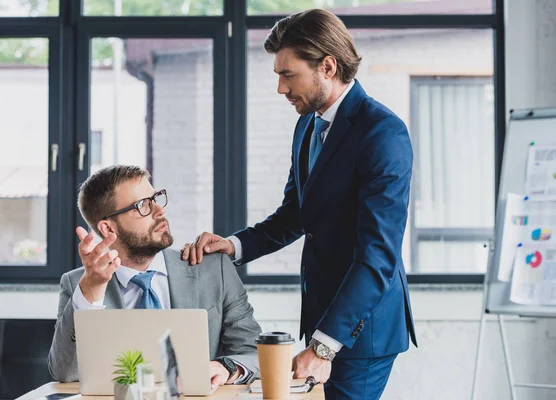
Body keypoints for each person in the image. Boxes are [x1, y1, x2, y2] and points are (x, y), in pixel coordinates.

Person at [181, 9, 417, 400]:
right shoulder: (308, 124)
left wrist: (324, 345)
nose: (280, 88)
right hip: (323, 318)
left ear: (327, 66)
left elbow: (378, 257)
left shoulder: (383, 134)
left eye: (287, 75)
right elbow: (296, 214)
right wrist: (234, 245)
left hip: (362, 330)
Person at [47, 165, 262, 389]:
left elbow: (255, 352)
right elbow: (65, 372)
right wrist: (91, 292)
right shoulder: (78, 286)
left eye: (155, 198)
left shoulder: (212, 269)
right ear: (109, 229)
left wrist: (225, 367)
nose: (160, 211)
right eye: (143, 206)